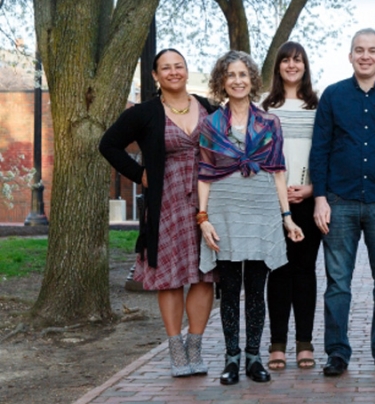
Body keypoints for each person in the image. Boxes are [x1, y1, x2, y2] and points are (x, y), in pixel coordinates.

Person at [99, 49, 217, 377]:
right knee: (171, 277)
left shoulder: (208, 107)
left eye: (179, 66)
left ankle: (196, 346)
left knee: (205, 274)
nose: (174, 72)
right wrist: (139, 175)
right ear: (155, 75)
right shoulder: (145, 112)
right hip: (166, 204)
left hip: (208, 202)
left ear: (187, 70)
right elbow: (108, 144)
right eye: (166, 67)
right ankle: (176, 349)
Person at [310, 28, 375, 377]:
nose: (366, 56)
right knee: (337, 283)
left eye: (373, 50)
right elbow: (320, 150)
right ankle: (337, 352)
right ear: (351, 55)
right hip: (339, 201)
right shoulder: (333, 96)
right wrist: (320, 199)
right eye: (360, 50)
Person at [197, 50, 304, 385]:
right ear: (222, 82)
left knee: (257, 289)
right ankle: (231, 359)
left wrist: (286, 217)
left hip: (261, 211)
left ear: (253, 80)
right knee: (229, 289)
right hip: (224, 211)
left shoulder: (269, 123)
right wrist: (203, 219)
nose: (238, 80)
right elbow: (203, 173)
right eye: (231, 75)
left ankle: (254, 358)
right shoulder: (210, 124)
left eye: (244, 74)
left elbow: (277, 172)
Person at [261, 41, 322, 371]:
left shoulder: (318, 106)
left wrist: (311, 189)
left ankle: (305, 342)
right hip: (274, 202)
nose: (292, 65)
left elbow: (326, 153)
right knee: (278, 271)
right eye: (286, 60)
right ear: (278, 66)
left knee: (305, 271)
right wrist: (280, 192)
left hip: (307, 200)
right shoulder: (265, 106)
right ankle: (277, 344)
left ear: (305, 65)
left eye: (298, 60)